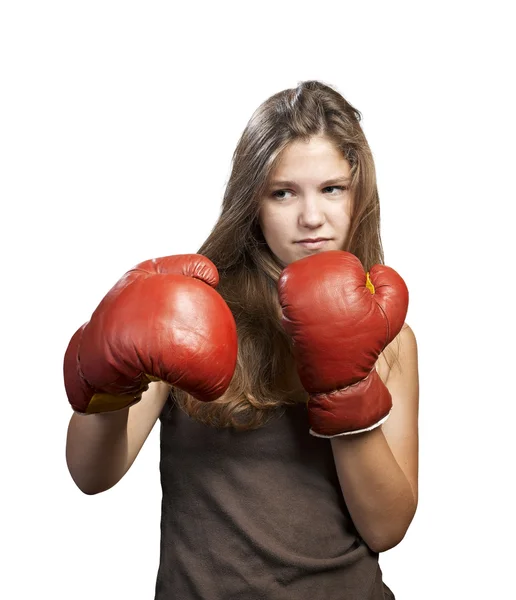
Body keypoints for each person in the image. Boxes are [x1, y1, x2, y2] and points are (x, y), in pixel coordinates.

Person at [65, 79, 419, 599]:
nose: (312, 218)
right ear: (253, 201)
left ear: (358, 195)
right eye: (283, 192)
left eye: (332, 188)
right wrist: (109, 376)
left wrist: (346, 380)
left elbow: (385, 529)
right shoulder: (190, 312)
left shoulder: (391, 336)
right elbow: (91, 474)